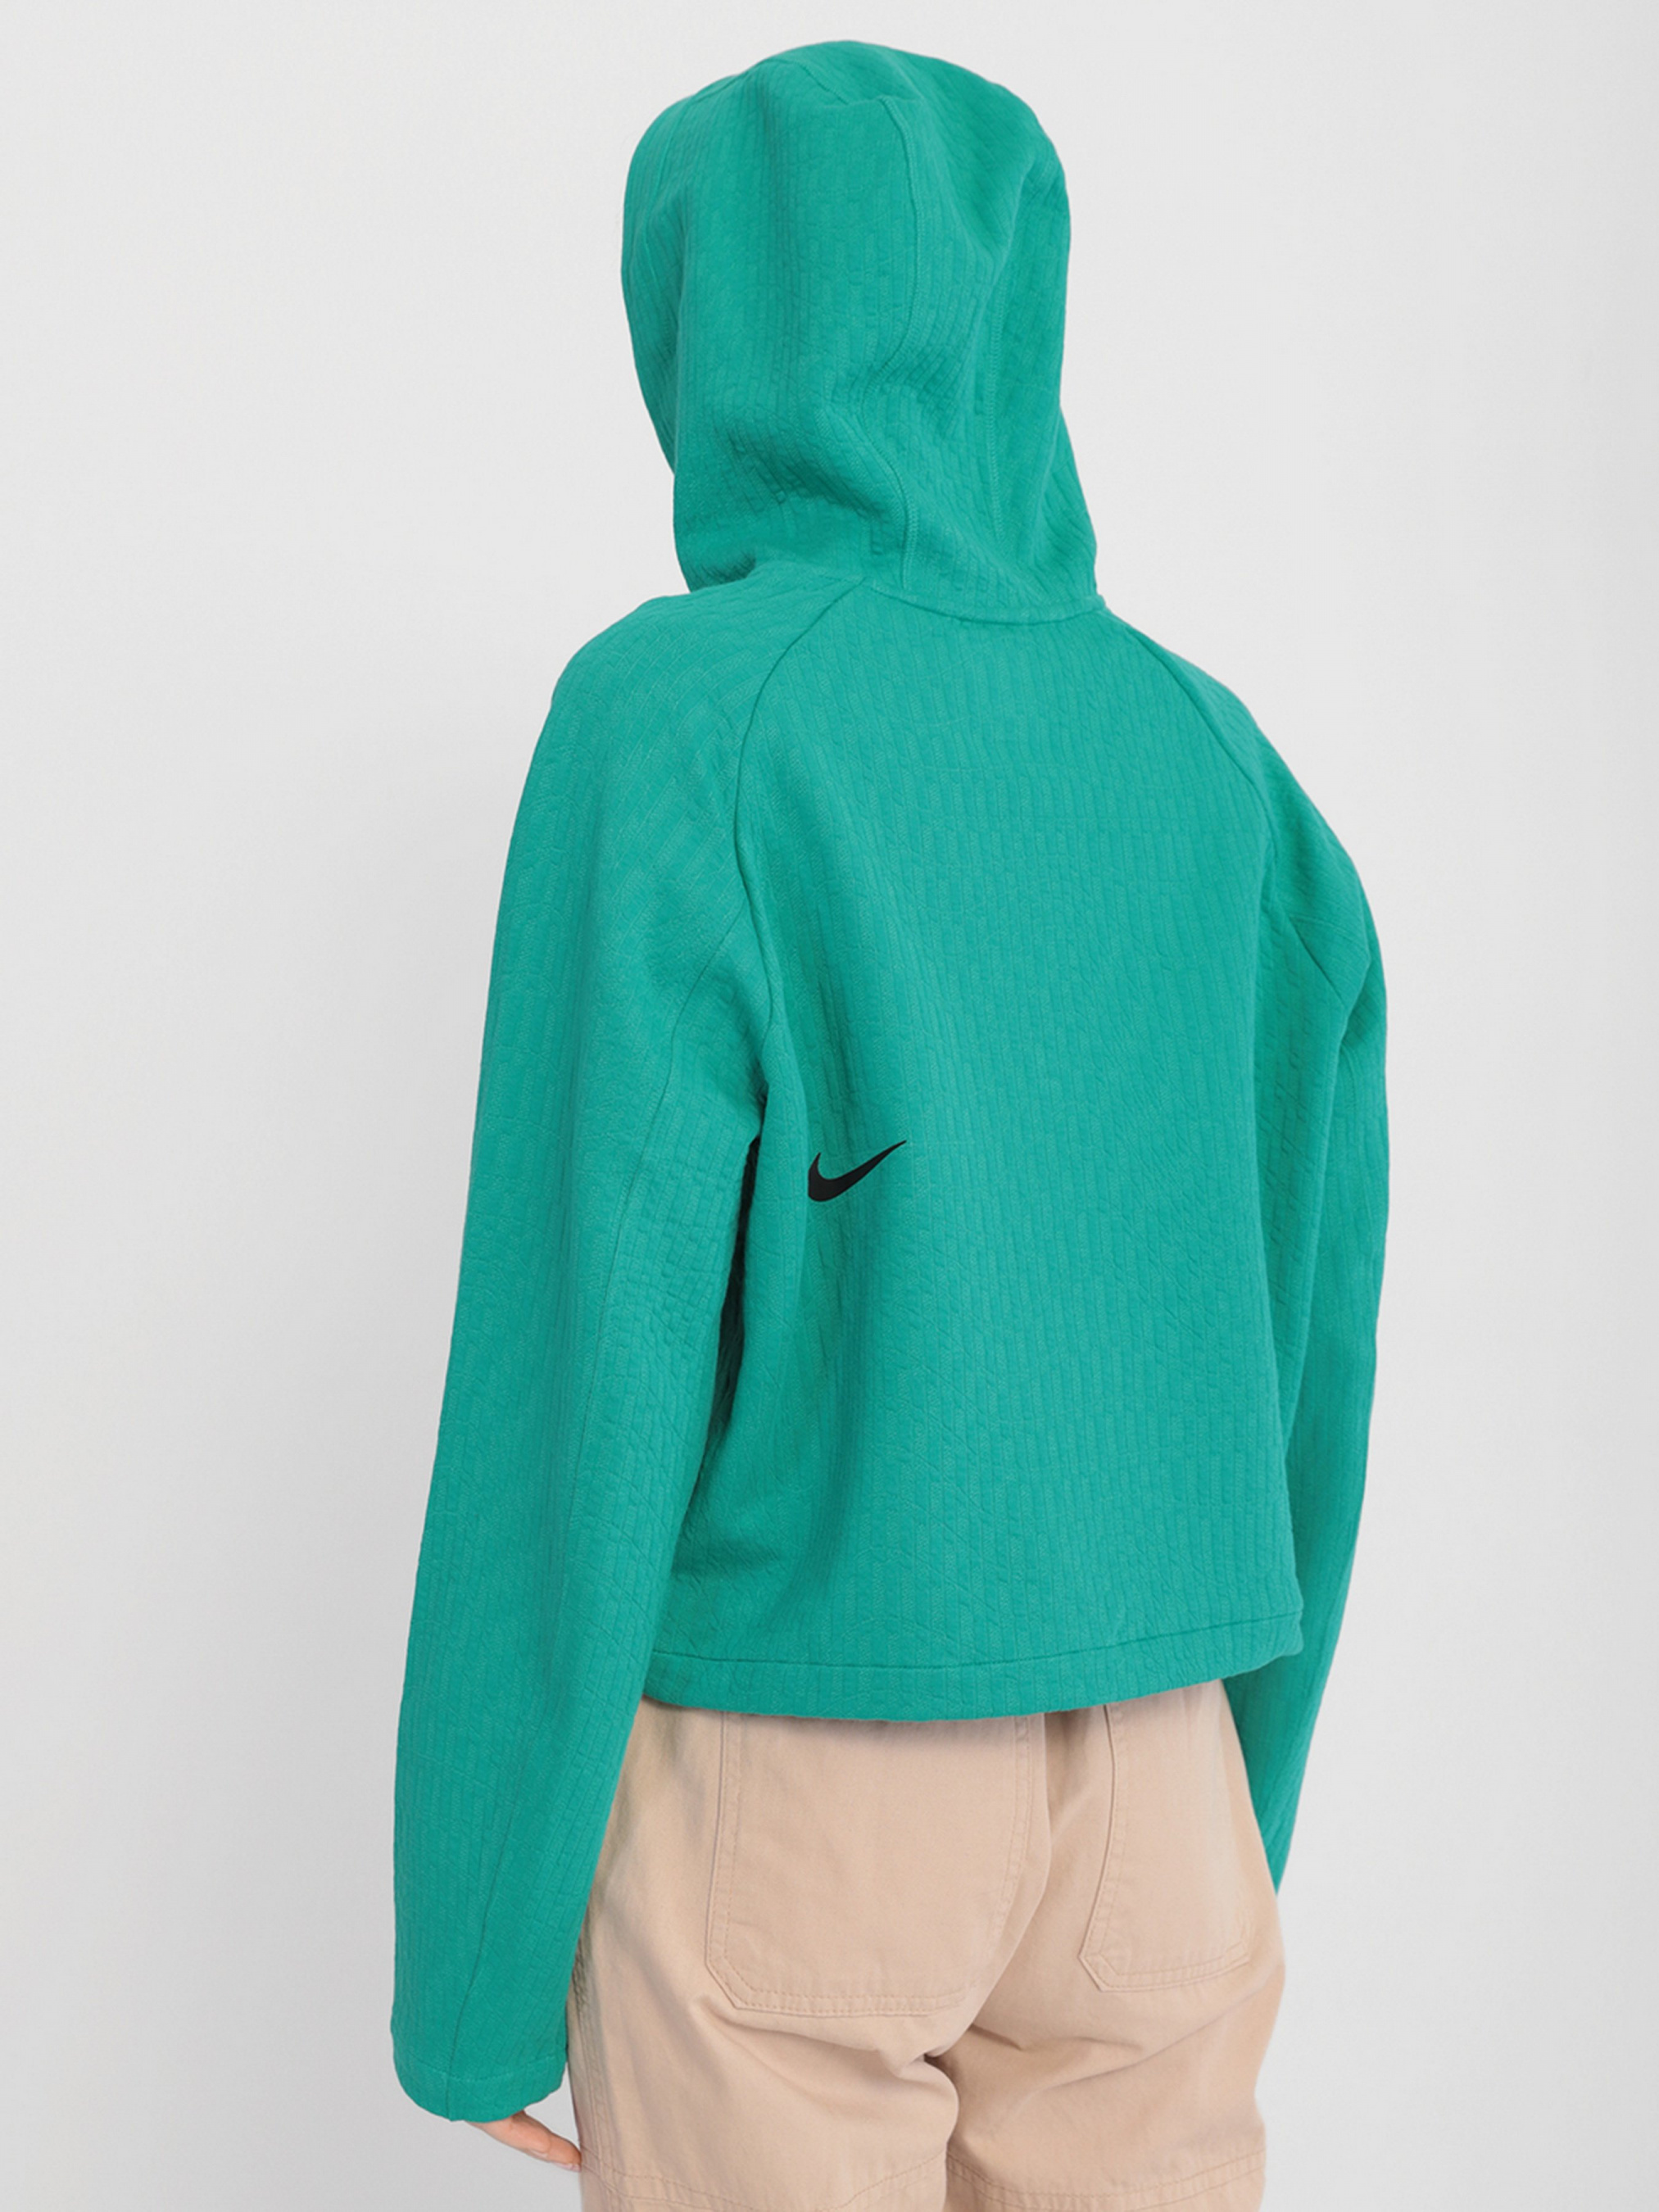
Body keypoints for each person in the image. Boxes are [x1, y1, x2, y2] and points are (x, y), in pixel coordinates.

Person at [391, 39, 1389, 2212]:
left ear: (701, 325)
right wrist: (1232, 1805)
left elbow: (573, 1375)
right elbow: (1302, 1337)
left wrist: (473, 1964)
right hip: (1162, 1781)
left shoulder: (674, 721)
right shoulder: (1222, 763)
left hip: (798, 1785)